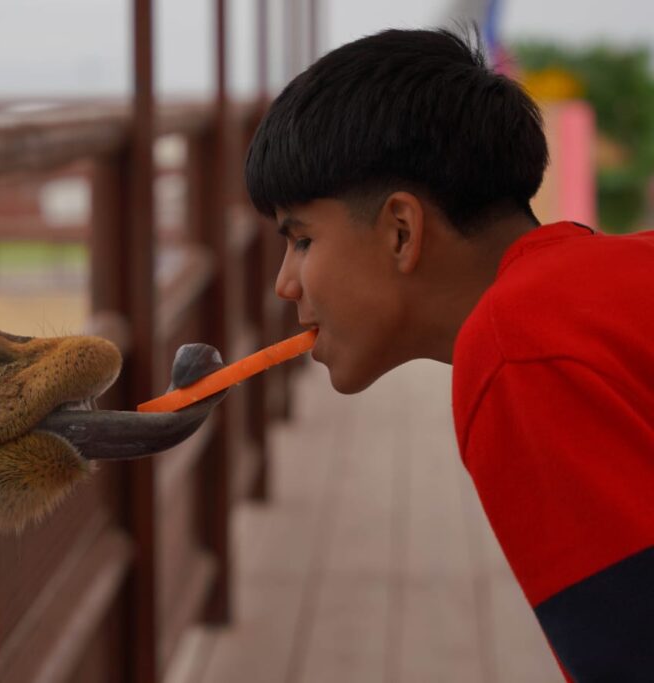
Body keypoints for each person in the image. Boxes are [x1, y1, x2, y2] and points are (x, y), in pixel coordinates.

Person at [245, 27, 654, 681]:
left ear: (401, 231)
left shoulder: (515, 349)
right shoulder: (595, 283)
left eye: (301, 239)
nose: (285, 282)